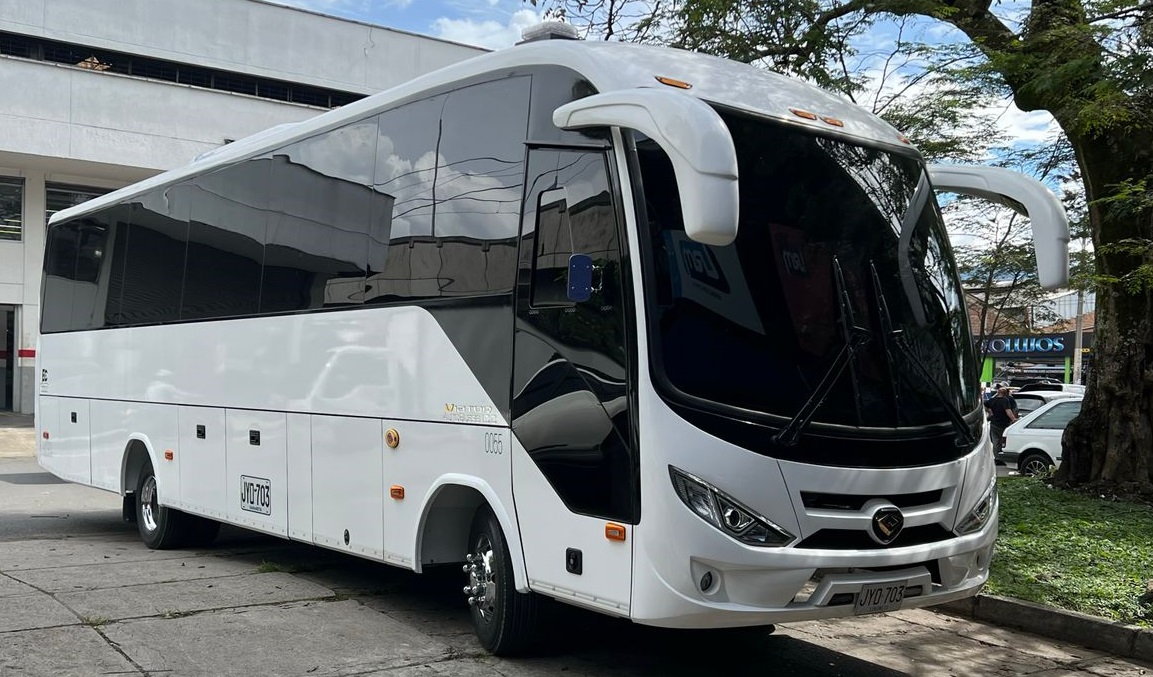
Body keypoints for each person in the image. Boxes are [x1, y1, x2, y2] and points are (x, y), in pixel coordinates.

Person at [984, 385, 1019, 458]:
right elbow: (1008, 411)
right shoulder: (1005, 400)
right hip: (1003, 424)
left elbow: (985, 405)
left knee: (995, 441)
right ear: (1005, 393)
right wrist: (1013, 419)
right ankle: (1001, 457)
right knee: (1002, 441)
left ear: (997, 392)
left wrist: (990, 412)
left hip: (994, 424)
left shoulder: (992, 400)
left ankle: (996, 457)